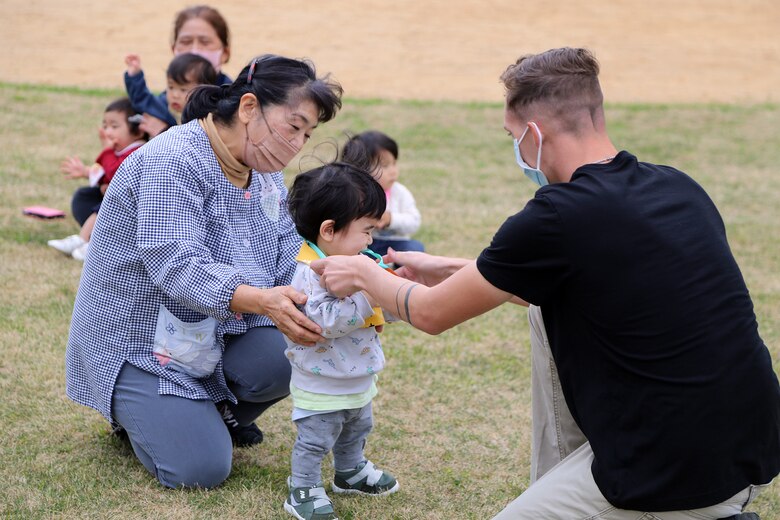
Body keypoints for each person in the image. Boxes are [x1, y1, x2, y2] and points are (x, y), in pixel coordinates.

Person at [310, 47, 780, 518]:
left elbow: (431, 314)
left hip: (667, 469)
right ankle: (565, 481)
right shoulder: (677, 185)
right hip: (750, 446)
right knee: (543, 305)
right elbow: (560, 277)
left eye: (512, 136)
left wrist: (363, 273)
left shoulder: (557, 213)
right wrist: (451, 267)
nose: (514, 148)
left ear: (533, 135)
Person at [65, 54, 343, 489]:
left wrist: (344, 287)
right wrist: (262, 300)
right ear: (249, 108)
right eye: (293, 127)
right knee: (201, 470)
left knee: (304, 352)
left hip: (213, 329)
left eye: (307, 134)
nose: (297, 144)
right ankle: (146, 416)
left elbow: (288, 249)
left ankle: (200, 415)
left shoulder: (262, 171)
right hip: (140, 341)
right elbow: (175, 265)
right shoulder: (172, 159)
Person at [282, 161, 400, 520]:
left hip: (356, 374)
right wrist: (372, 293)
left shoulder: (356, 262)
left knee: (357, 426)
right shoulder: (308, 272)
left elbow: (378, 312)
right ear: (329, 230)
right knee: (316, 438)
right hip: (322, 380)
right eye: (366, 231)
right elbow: (324, 321)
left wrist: (395, 293)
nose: (371, 240)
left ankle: (349, 472)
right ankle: (302, 485)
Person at [48, 98, 146, 261]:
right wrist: (86, 172)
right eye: (105, 126)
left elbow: (114, 171)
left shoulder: (138, 150)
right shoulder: (120, 150)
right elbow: (105, 174)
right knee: (84, 196)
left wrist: (107, 151)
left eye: (114, 126)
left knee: (104, 205)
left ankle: (86, 240)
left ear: (138, 131)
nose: (107, 132)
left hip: (133, 209)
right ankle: (91, 238)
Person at [125, 4, 232, 137]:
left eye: (205, 42)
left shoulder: (233, 101)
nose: (195, 50)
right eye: (186, 41)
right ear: (173, 48)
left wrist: (164, 132)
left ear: (225, 53)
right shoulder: (169, 100)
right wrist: (135, 78)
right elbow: (145, 102)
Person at [342, 131, 424, 257]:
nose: (393, 171)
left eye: (394, 163)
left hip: (397, 243)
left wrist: (391, 219)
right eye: (385, 166)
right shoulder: (355, 194)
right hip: (366, 246)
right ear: (360, 170)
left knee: (415, 248)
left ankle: (404, 274)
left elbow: (414, 221)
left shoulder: (400, 192)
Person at [124, 52, 218, 129]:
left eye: (183, 89)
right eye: (171, 87)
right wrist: (134, 76)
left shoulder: (207, 120)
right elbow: (142, 99)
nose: (175, 95)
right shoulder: (163, 106)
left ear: (204, 92)